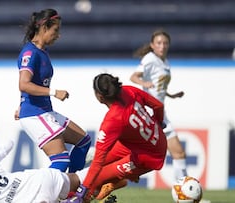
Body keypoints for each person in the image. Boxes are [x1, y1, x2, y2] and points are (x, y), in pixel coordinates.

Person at [64, 73, 168, 203]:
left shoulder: (113, 120)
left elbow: (98, 162)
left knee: (95, 178)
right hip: (143, 143)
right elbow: (158, 106)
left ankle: (85, 195)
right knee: (94, 170)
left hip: (148, 157)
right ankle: (114, 182)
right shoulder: (129, 90)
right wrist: (158, 122)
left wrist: (82, 192)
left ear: (100, 97)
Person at [15, 8, 91, 173]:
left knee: (84, 141)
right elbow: (24, 84)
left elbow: (31, 84)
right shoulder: (30, 53)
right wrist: (54, 92)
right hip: (35, 114)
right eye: (55, 30)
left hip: (43, 110)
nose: (58, 35)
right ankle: (37, 193)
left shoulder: (42, 52)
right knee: (61, 160)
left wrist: (21, 102)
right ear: (43, 28)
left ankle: (70, 192)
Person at [129, 29, 188, 181]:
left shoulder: (165, 63)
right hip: (149, 113)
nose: (162, 46)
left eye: (165, 43)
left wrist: (171, 95)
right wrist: (144, 83)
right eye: (159, 43)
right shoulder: (150, 58)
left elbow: (158, 87)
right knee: (138, 155)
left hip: (160, 113)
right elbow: (134, 76)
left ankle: (182, 191)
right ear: (152, 45)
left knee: (178, 153)